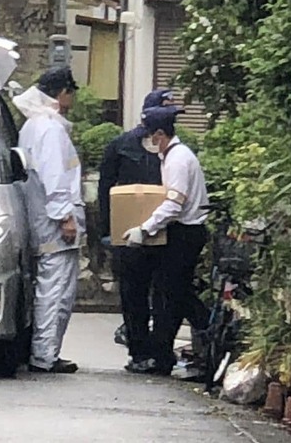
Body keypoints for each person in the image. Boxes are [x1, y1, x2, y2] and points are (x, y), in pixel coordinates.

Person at [123, 104, 210, 376]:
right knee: (172, 295)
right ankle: (177, 350)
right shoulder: (173, 156)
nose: (150, 142)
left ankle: (169, 354)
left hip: (185, 233)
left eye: (151, 137)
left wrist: (145, 228)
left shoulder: (177, 160)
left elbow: (174, 203)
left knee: (170, 297)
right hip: (182, 232)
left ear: (161, 134)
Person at [12, 66, 86, 374]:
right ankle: (45, 355)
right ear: (62, 93)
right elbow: (55, 177)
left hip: (40, 217)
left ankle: (43, 352)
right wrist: (65, 217)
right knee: (56, 289)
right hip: (54, 222)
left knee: (47, 287)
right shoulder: (51, 129)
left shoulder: (33, 125)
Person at [98, 89, 174, 372]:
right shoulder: (123, 145)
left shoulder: (171, 149)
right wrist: (108, 232)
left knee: (152, 295)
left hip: (154, 230)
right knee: (139, 294)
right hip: (133, 233)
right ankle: (142, 351)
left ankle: (151, 352)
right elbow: (106, 189)